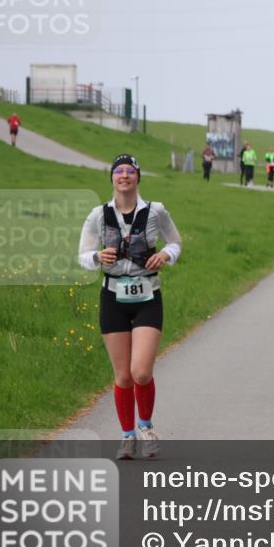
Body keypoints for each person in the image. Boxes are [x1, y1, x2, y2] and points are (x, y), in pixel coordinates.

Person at [78, 154, 183, 460]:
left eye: (130, 171)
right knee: (123, 376)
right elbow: (83, 255)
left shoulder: (155, 211)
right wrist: (97, 257)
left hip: (148, 296)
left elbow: (175, 242)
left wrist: (166, 255)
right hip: (113, 298)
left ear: (137, 177)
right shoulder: (98, 215)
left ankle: (146, 428)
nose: (124, 175)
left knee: (141, 372)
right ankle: (127, 437)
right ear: (112, 177)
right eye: (119, 171)